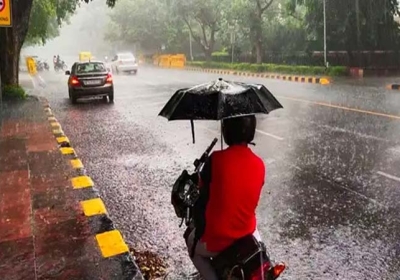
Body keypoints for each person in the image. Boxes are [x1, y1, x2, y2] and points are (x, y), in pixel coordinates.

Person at [186, 115, 265, 280]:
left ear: (226, 130)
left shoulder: (215, 160)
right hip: (247, 233)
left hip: (218, 239)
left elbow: (202, 195)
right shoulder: (260, 164)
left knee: (192, 247)